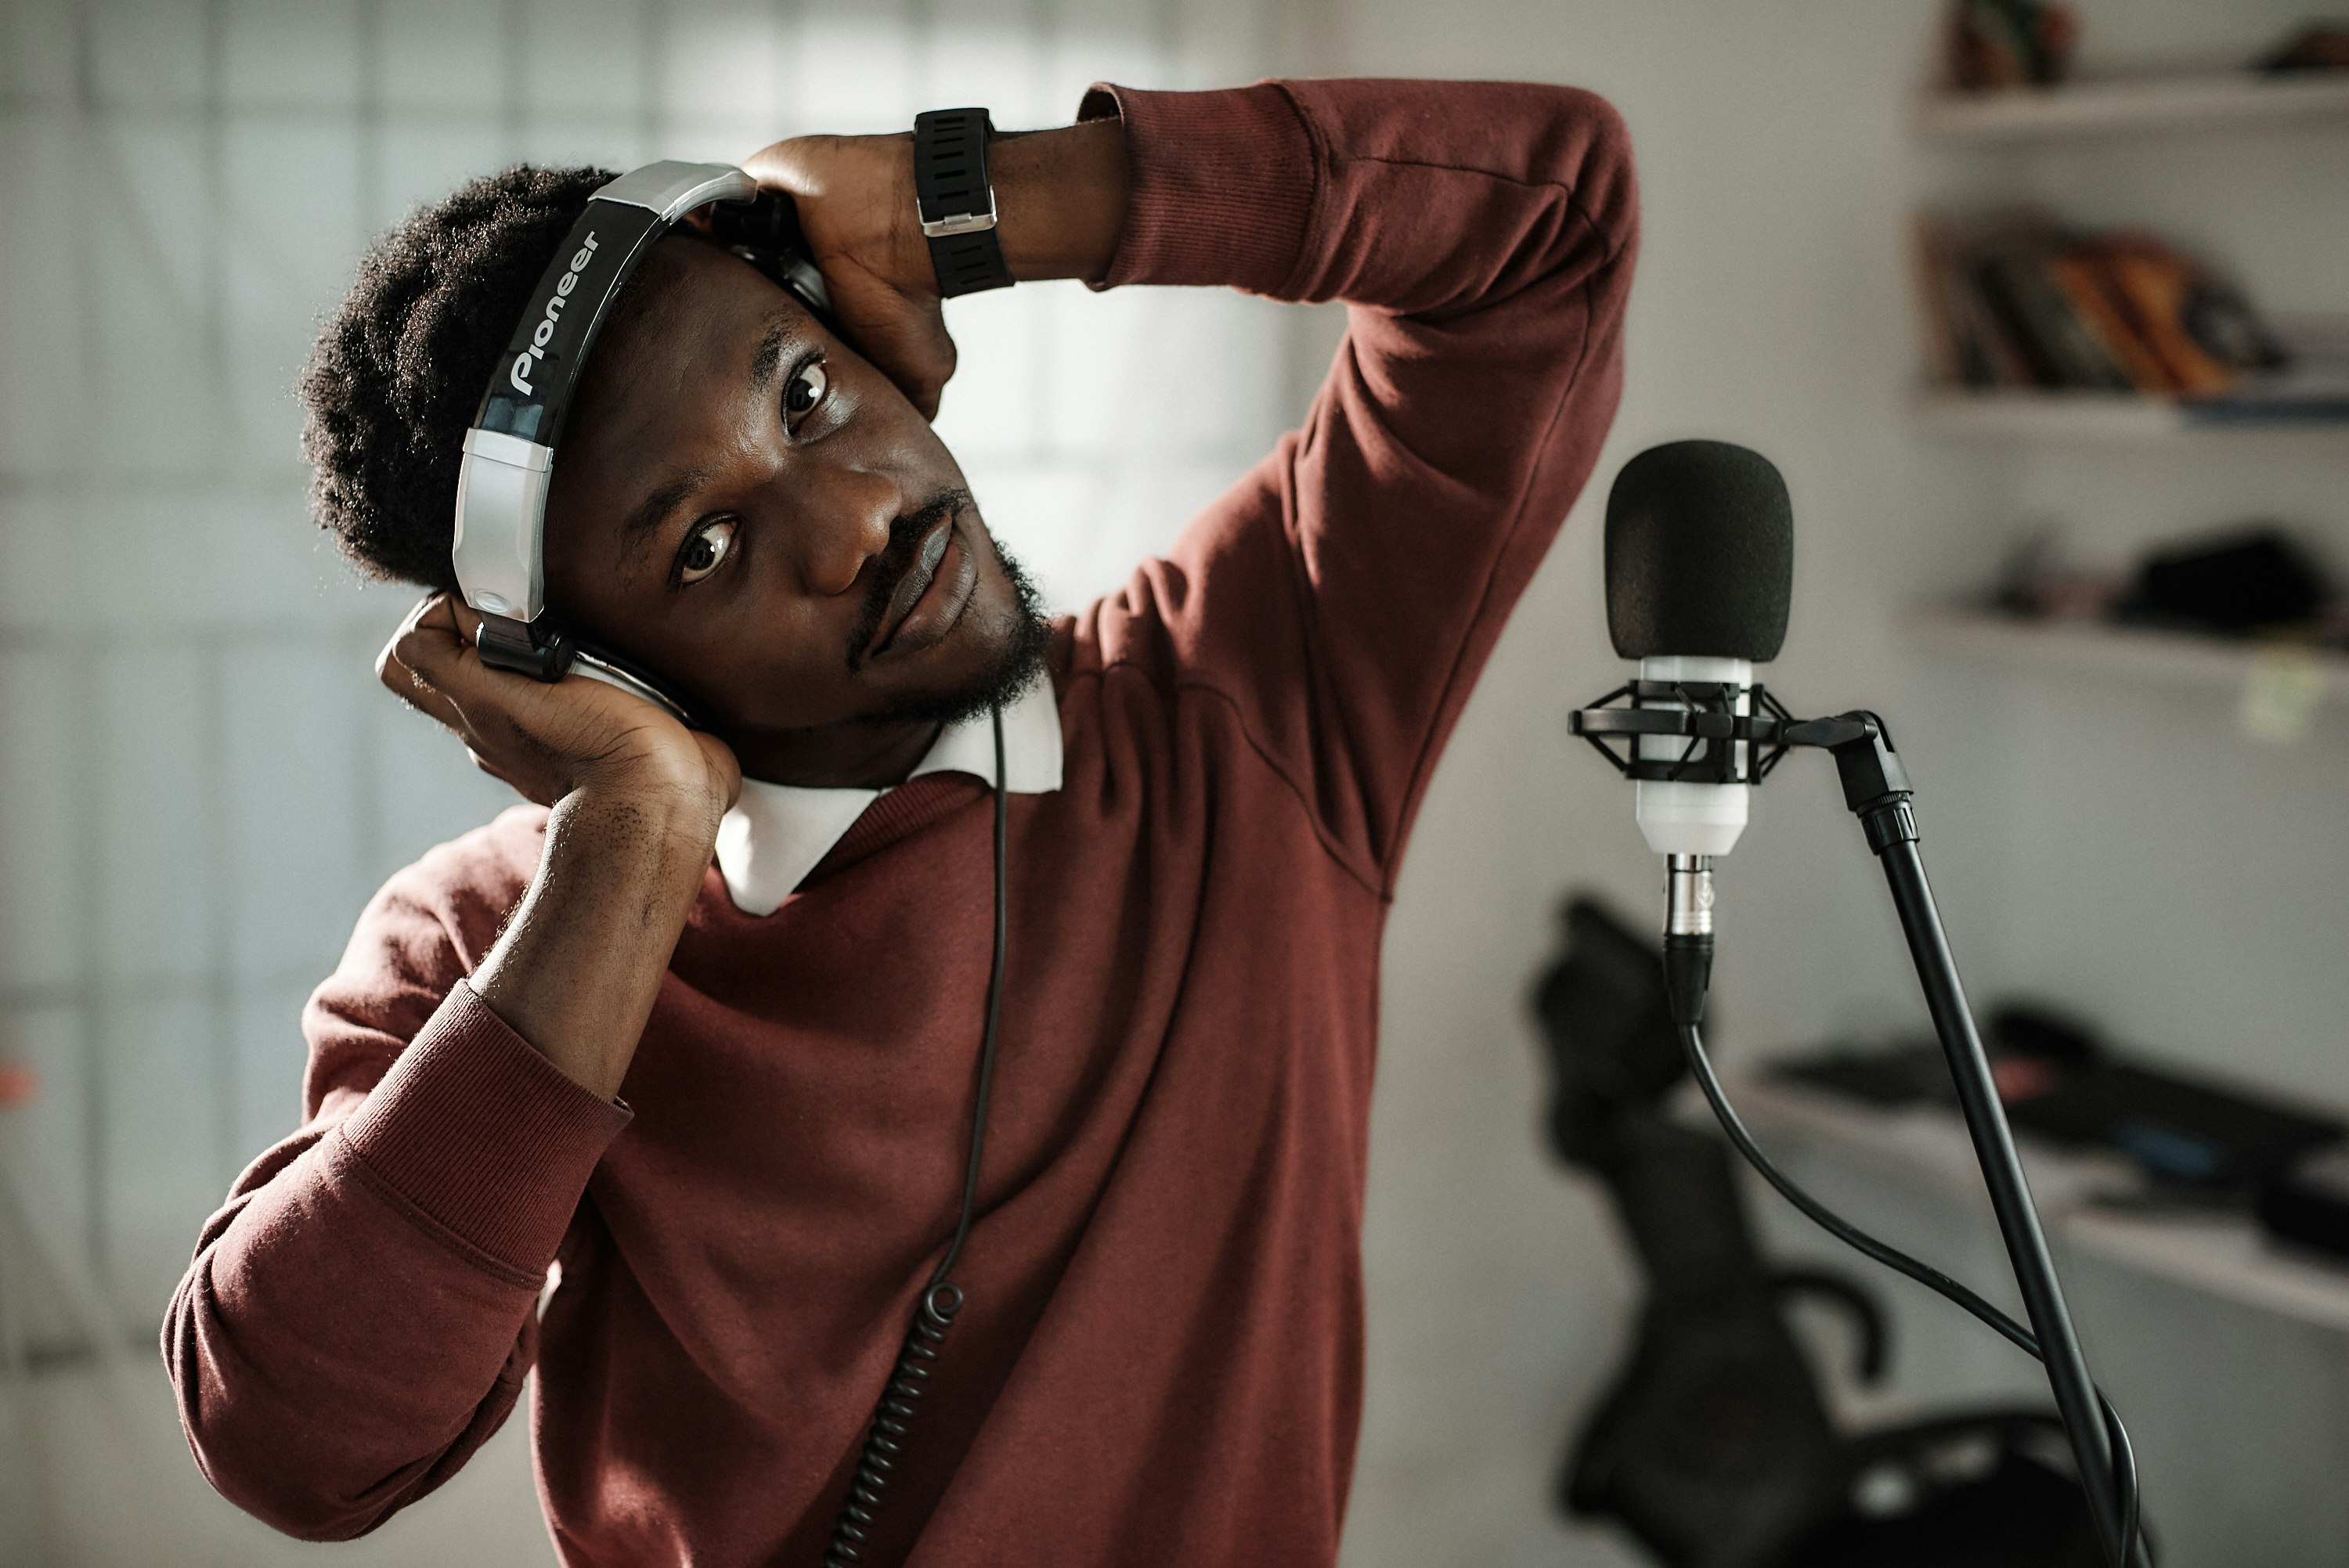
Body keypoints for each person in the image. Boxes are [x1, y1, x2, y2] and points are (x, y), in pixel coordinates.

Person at [164, 77, 1636, 1566]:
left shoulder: (1247, 701)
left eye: (806, 395)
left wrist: (965, 201)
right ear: (586, 670)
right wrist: (634, 841)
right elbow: (293, 1445)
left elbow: (1549, 226)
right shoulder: (492, 943)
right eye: (707, 547)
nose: (857, 521)